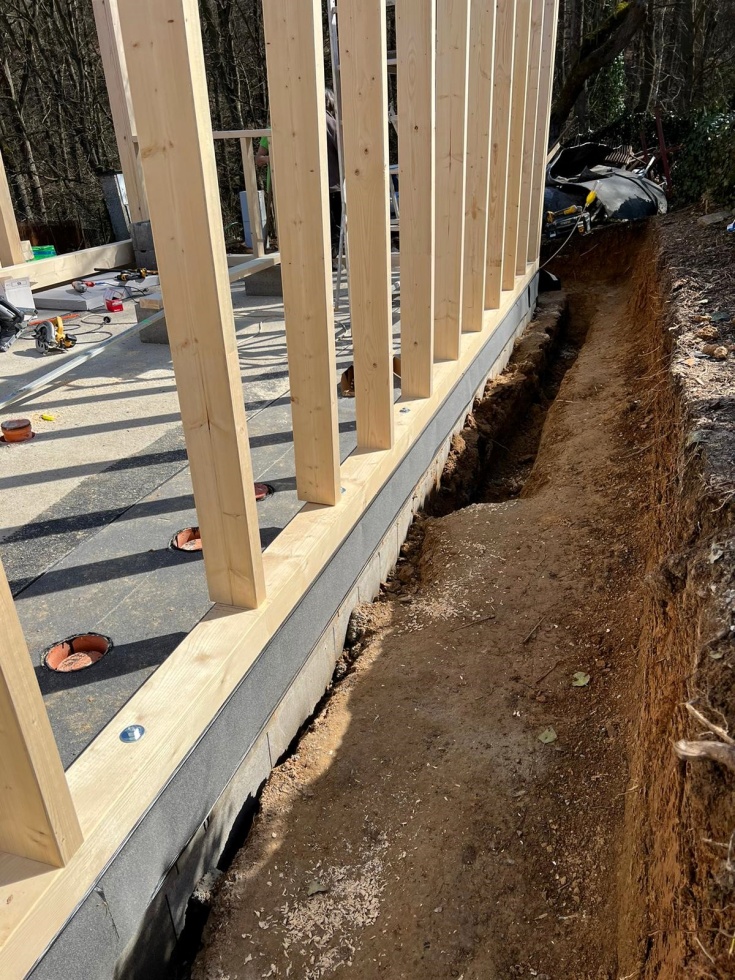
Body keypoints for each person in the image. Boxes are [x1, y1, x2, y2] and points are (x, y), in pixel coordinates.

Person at [324, 89, 342, 267]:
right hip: (332, 185)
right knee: (335, 225)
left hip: (311, 186)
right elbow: (343, 153)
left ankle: (322, 260)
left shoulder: (303, 124)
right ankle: (333, 261)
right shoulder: (331, 123)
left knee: (321, 225)